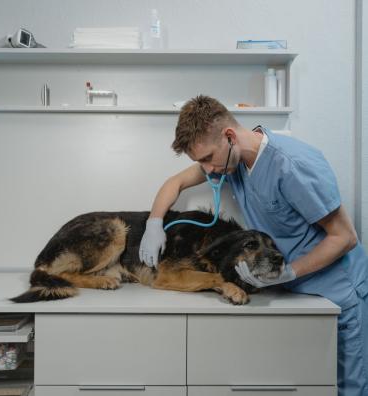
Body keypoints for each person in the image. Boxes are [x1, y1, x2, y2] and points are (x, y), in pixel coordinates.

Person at [139, 95, 368, 396]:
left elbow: (345, 237)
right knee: (306, 383)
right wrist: (154, 223)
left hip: (335, 292)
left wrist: (290, 272)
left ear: (229, 137)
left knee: (347, 387)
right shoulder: (232, 163)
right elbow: (175, 183)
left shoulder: (291, 165)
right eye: (200, 162)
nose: (207, 170)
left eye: (208, 158)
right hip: (293, 293)